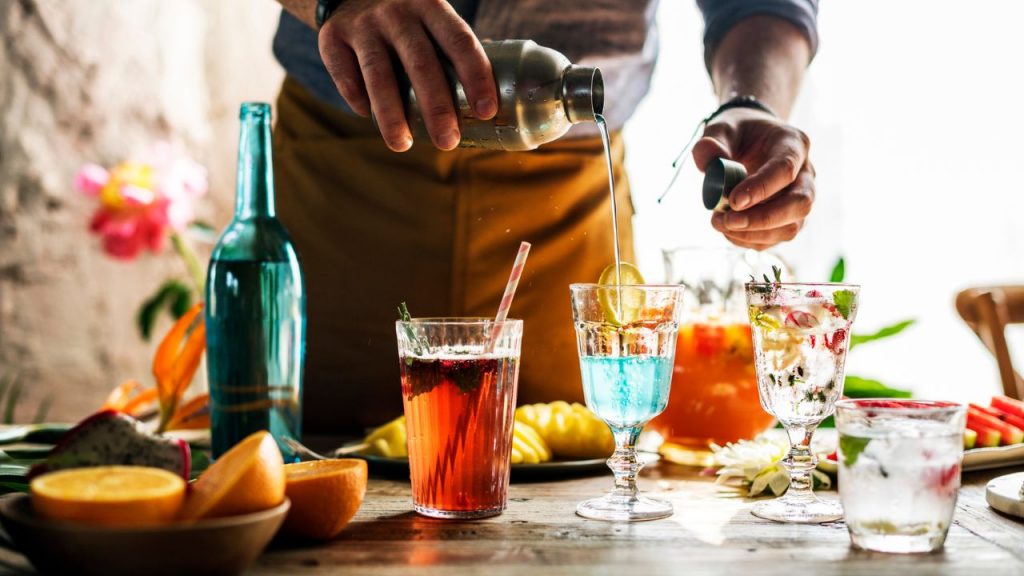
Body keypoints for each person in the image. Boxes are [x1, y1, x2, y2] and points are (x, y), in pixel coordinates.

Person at [272, 0, 818, 433]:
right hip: (347, 169)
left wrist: (753, 101)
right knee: (318, 452)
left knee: (577, 462)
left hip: (568, 189)